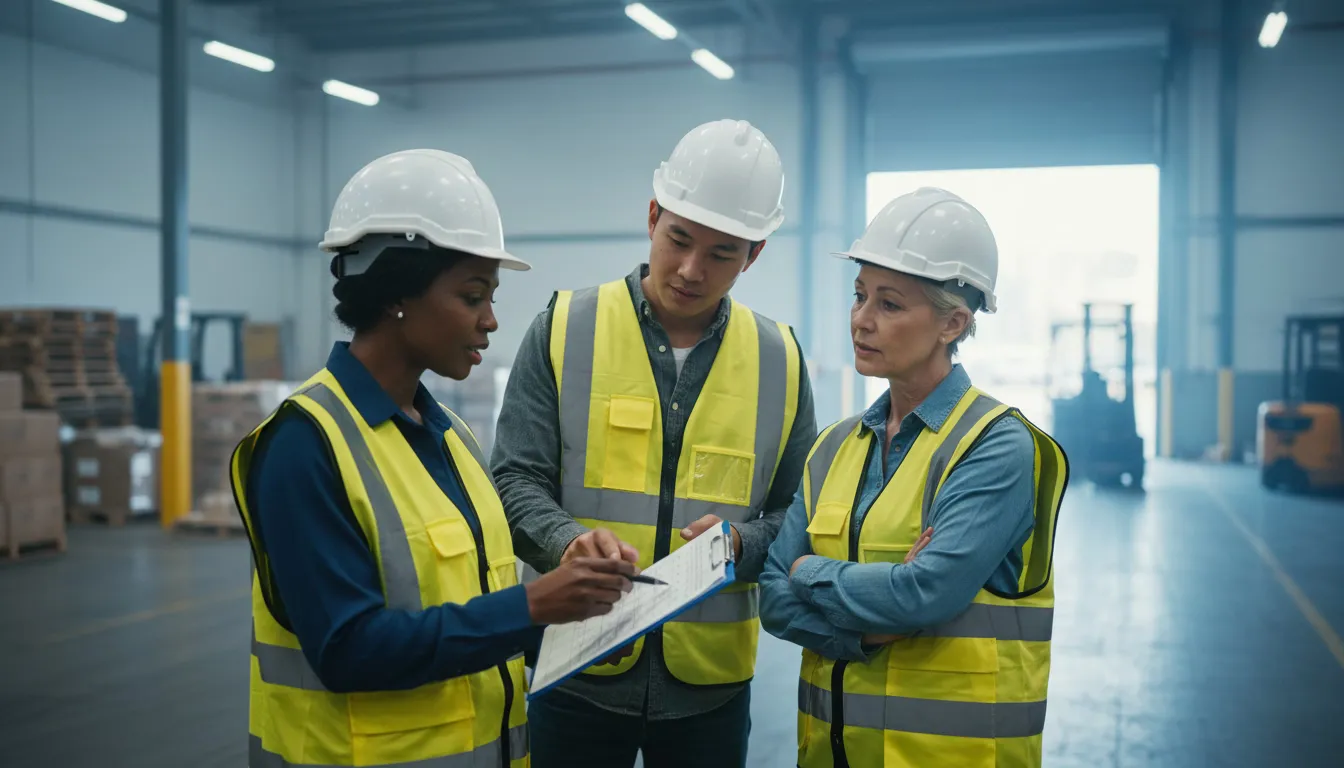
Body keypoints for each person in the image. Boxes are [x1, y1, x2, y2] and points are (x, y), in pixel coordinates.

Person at [231, 149, 637, 768]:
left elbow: (466, 608)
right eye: (473, 295)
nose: (491, 320)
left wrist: (566, 626)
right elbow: (346, 648)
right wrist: (533, 606)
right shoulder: (303, 446)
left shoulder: (449, 437)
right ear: (398, 295)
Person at [490, 119, 819, 767]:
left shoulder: (779, 359)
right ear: (651, 216)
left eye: (723, 252)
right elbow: (513, 481)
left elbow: (799, 511)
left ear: (755, 254)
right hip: (576, 669)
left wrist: (742, 543)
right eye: (680, 239)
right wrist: (568, 542)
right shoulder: (563, 328)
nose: (692, 269)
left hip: (710, 688)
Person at [759, 187, 1069, 768]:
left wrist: (809, 569)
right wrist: (861, 629)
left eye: (890, 304)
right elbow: (773, 599)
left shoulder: (996, 445)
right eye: (859, 296)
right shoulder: (832, 448)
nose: (861, 319)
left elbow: (924, 595)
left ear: (953, 322)